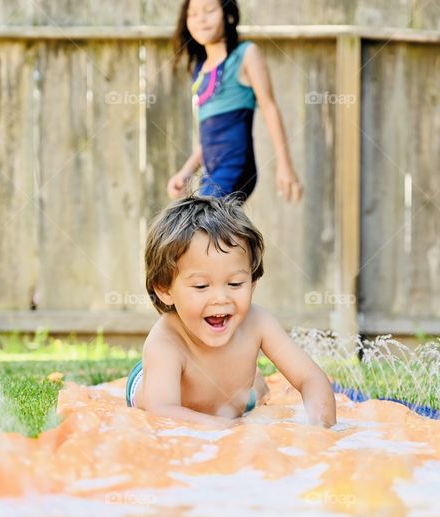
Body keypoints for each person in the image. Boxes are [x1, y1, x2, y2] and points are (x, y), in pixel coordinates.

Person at [126, 195, 335, 428]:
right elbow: (162, 412)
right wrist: (228, 429)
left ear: (252, 282)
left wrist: (322, 429)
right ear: (165, 289)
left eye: (235, 283)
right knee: (216, 405)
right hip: (161, 392)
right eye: (201, 286)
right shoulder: (166, 341)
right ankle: (251, 384)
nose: (221, 298)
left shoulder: (259, 323)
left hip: (231, 398)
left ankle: (255, 383)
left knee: (251, 400)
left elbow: (311, 378)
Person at [167, 0, 303, 203]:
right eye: (193, 14)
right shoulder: (201, 70)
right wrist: (186, 171)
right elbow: (212, 136)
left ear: (228, 15)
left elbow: (269, 106)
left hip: (236, 166)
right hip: (212, 172)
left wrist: (285, 165)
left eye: (209, 11)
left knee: (202, 224)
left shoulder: (246, 55)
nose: (200, 19)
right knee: (208, 228)